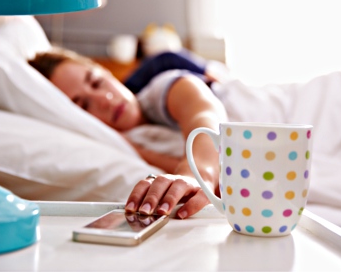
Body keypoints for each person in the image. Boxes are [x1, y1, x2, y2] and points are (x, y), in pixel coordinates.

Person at [28, 48, 228, 219]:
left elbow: (205, 117)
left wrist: (196, 175)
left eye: (97, 82)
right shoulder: (129, 143)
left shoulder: (160, 90)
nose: (105, 99)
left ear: (107, 73)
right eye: (85, 106)